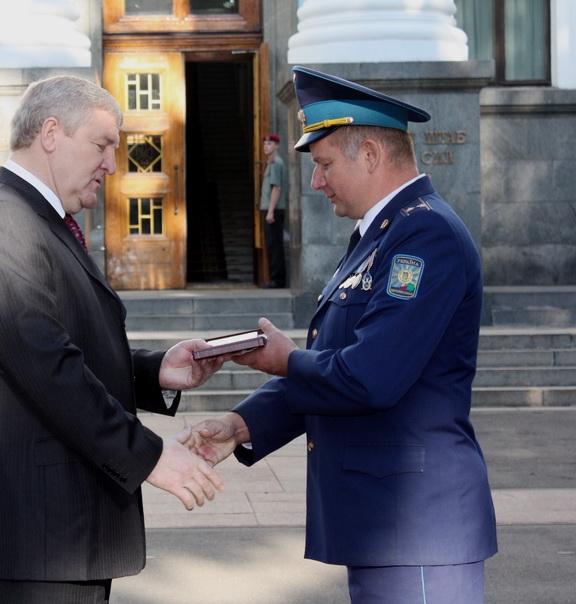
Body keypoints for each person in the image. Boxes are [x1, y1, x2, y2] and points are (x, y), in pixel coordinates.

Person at [189, 66, 497, 603]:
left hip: (415, 526)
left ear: (372, 154)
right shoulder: (379, 235)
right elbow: (335, 367)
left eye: (326, 163)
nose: (316, 180)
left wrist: (286, 361)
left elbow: (369, 377)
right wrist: (240, 425)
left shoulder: (423, 235)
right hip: (386, 526)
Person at [0, 75, 226, 604]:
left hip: (54, 529)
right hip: (33, 533)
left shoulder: (36, 219)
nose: (112, 165)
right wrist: (150, 456)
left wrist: (155, 372)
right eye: (104, 144)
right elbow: (48, 369)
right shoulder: (1, 222)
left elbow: (59, 348)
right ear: (52, 132)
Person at [260, 133, 287, 288]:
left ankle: (277, 280)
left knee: (275, 246)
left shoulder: (275, 163)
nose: (266, 146)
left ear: (277, 146)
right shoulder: (271, 162)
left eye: (270, 144)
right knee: (272, 245)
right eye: (265, 144)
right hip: (272, 209)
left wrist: (270, 212)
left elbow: (277, 188)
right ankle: (275, 278)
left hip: (274, 211)